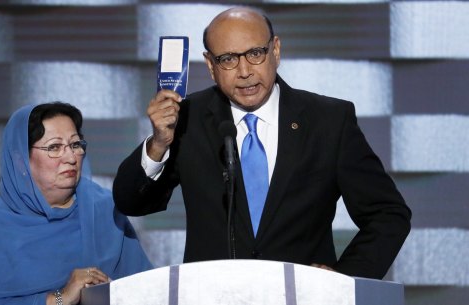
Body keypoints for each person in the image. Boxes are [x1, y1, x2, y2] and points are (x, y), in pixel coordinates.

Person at [112, 7, 411, 280]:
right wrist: (158, 144)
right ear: (210, 65)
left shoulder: (329, 120)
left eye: (255, 53)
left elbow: (388, 215)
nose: (244, 71)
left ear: (276, 50)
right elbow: (130, 202)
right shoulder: (187, 120)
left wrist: (343, 280)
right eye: (228, 59)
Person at [0, 102, 152, 305]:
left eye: (75, 144)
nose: (70, 157)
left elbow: (147, 290)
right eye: (54, 147)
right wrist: (58, 299)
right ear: (20, 160)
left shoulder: (104, 209)